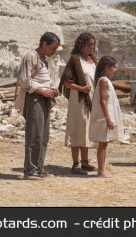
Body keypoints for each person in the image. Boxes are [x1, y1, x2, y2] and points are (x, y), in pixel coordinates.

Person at [16, 31, 61, 180]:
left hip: (44, 100)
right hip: (34, 99)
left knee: (43, 137)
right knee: (34, 135)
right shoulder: (31, 57)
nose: (54, 52)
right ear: (44, 44)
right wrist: (43, 91)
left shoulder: (44, 59)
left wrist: (51, 91)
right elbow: (24, 81)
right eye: (52, 48)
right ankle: (30, 170)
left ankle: (39, 168)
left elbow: (41, 80)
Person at [58, 32, 98, 175]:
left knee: (87, 129)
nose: (92, 47)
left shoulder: (93, 59)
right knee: (77, 129)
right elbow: (66, 81)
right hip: (79, 100)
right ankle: (75, 164)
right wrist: (81, 88)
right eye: (89, 44)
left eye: (93, 44)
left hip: (92, 100)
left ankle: (85, 162)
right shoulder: (75, 60)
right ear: (81, 44)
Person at [89, 55, 124, 178]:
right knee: (102, 144)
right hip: (104, 117)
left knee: (104, 144)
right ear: (106, 68)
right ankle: (101, 170)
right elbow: (102, 101)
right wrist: (108, 118)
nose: (115, 69)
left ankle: (102, 169)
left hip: (106, 116)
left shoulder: (105, 80)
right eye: (113, 67)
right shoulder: (103, 81)